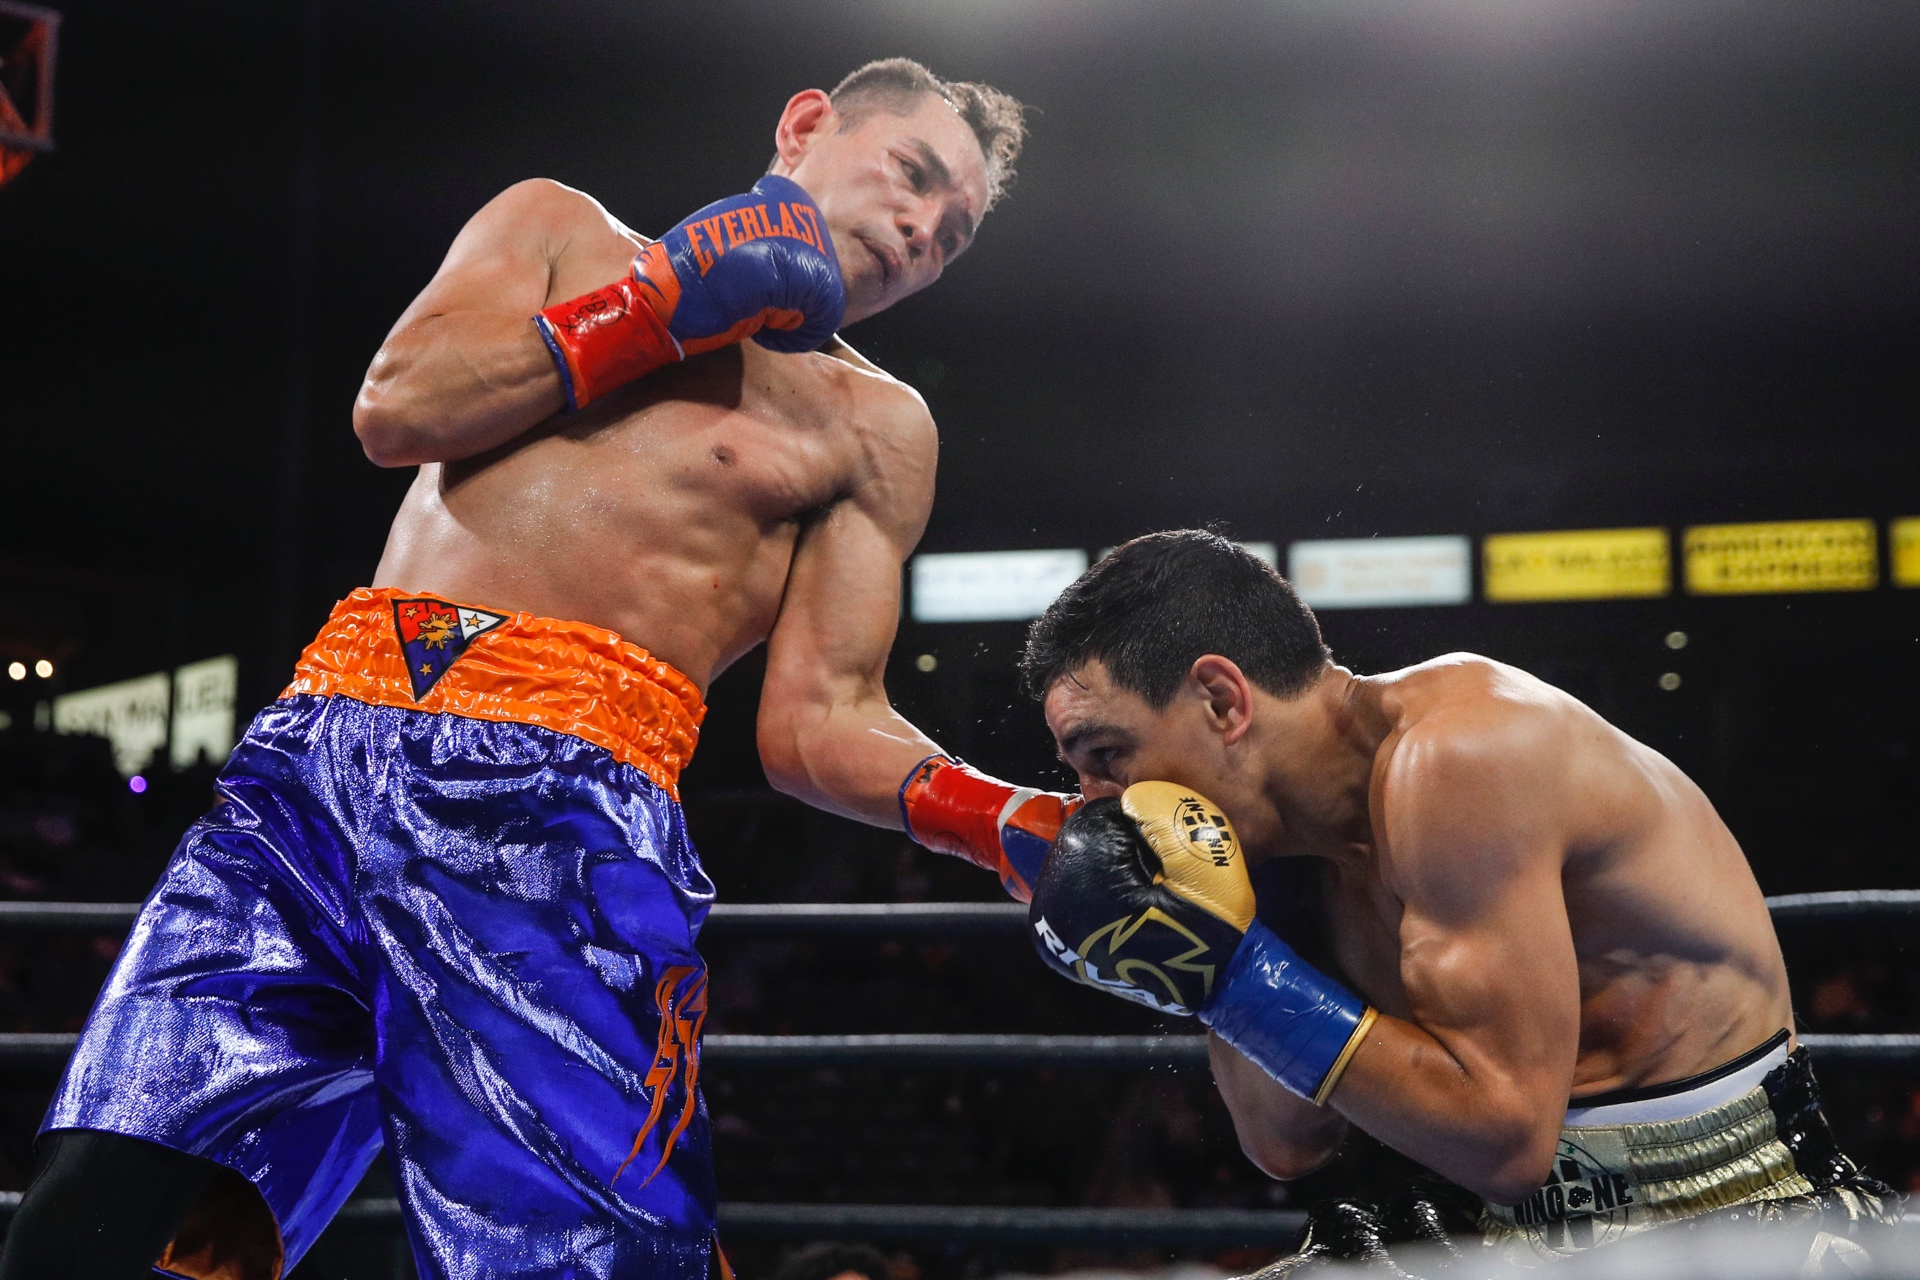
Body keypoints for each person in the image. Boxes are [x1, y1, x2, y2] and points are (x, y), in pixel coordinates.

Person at [0, 58, 1074, 1280]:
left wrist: (1000, 817)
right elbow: (397, 408)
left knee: (582, 1262)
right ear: (806, 123)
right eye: (913, 175)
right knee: (99, 1199)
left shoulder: (875, 425)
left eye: (954, 234)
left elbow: (818, 720)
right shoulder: (559, 227)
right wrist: (658, 305)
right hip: (317, 765)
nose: (922, 229)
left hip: (563, 818)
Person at [1017, 529, 1896, 1266]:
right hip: (1496, 1229)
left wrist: (1239, 978)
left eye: (1107, 756)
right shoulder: (1274, 848)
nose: (1099, 802)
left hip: (1734, 1215)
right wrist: (1210, 953)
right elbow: (1285, 1142)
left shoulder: (1464, 756)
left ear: (1221, 700)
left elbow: (1507, 1143)